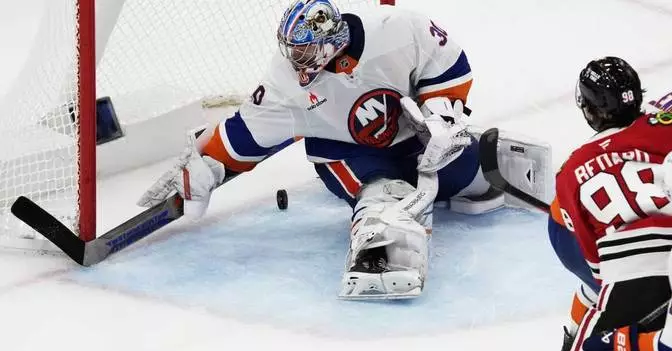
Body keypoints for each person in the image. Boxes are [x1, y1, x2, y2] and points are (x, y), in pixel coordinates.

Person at [134, 0, 548, 300]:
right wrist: (210, 167)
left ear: (332, 41)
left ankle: (454, 176)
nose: (297, 60)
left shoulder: (396, 29)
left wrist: (441, 115)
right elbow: (249, 133)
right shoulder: (286, 83)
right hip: (346, 156)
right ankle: (381, 243)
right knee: (386, 198)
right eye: (292, 51)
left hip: (413, 137)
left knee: (479, 175)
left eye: (305, 50)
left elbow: (448, 67)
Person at [551, 55, 672, 351]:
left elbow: (594, 265)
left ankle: (575, 338)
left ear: (590, 110)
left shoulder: (570, 171)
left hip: (626, 283)